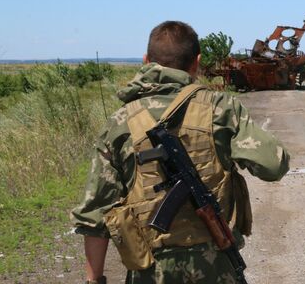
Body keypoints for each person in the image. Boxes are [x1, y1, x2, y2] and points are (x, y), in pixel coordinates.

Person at [71, 21, 290, 284]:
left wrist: (93, 279)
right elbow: (273, 165)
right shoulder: (222, 108)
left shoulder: (120, 121)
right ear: (196, 62)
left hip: (150, 271)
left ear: (146, 61)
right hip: (216, 266)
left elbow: (96, 213)